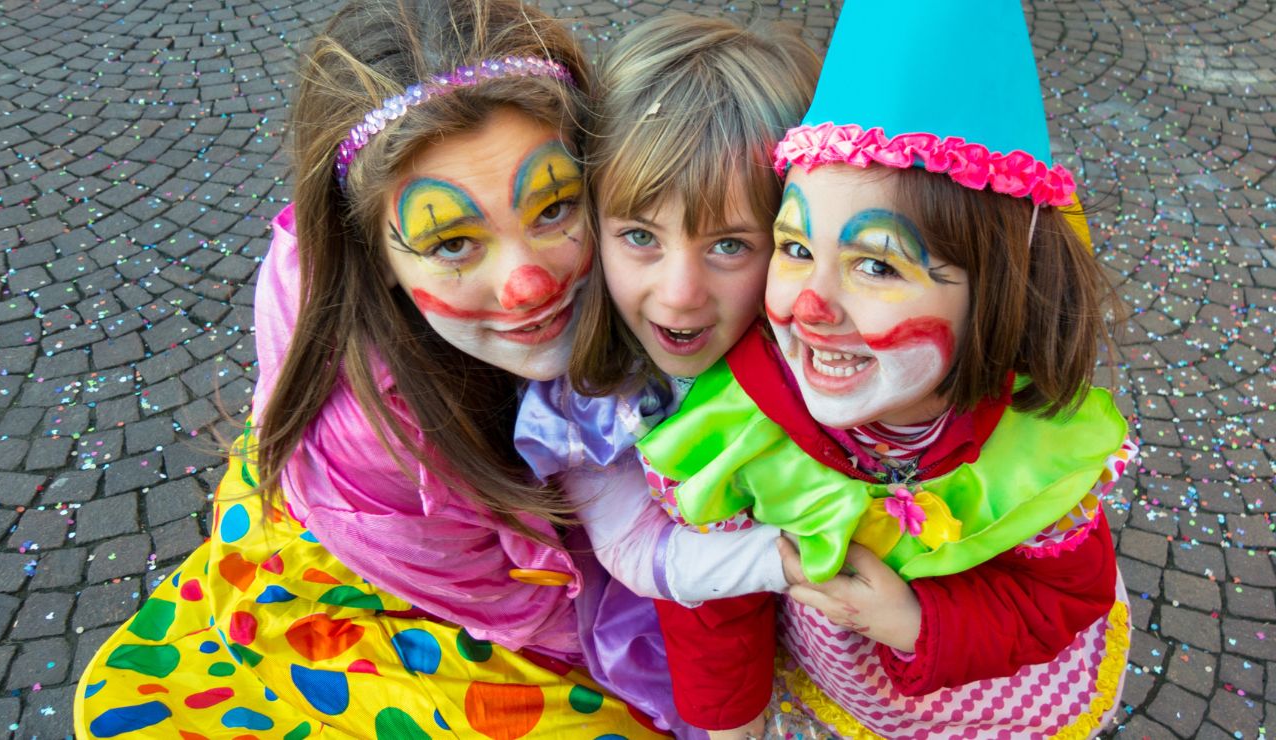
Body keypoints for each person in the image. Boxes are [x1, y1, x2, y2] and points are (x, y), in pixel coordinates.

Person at [74, 0, 679, 736]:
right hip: (412, 580)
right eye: (452, 244)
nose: (529, 284)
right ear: (375, 256)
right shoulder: (372, 434)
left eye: (553, 207)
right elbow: (526, 612)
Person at [634, 1, 1137, 736]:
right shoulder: (736, 427)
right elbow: (716, 604)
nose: (809, 306)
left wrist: (918, 622)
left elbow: (1060, 599)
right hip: (836, 695)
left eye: (875, 264)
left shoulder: (1037, 451)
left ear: (998, 291)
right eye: (796, 249)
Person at [514, 14, 820, 739]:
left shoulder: (828, 345)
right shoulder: (592, 398)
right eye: (640, 236)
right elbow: (634, 549)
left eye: (730, 245)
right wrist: (792, 563)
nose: (680, 294)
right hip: (706, 627)